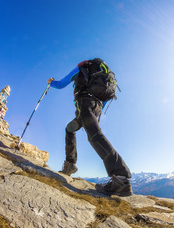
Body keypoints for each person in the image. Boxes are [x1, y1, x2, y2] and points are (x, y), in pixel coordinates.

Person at [48, 58, 133, 197]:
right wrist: (94, 113)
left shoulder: (81, 69)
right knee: (70, 129)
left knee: (95, 137)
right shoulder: (103, 78)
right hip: (94, 108)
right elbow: (104, 101)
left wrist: (51, 82)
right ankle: (70, 164)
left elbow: (61, 84)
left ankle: (121, 178)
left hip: (85, 104)